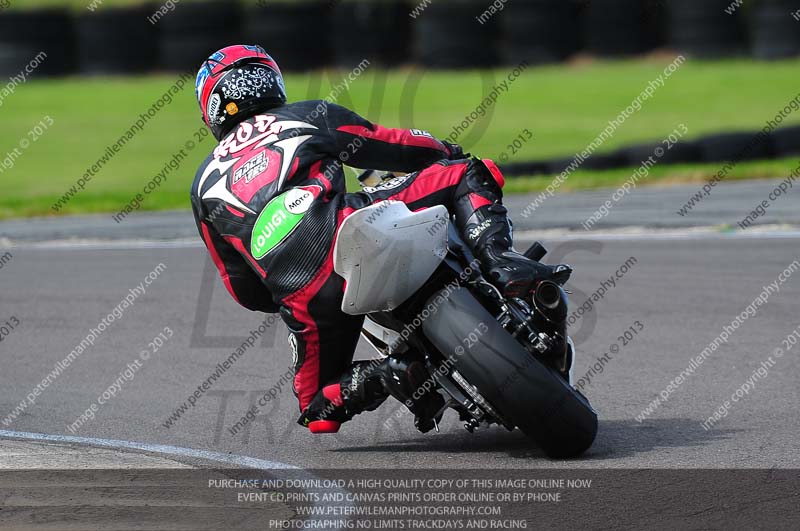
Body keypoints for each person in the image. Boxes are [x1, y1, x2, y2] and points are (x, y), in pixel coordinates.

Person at [191, 45, 570, 435]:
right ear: (270, 81)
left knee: (317, 408)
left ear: (213, 107)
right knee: (465, 172)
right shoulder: (304, 115)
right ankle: (501, 262)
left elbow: (242, 289)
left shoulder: (202, 184)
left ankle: (387, 373)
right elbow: (397, 146)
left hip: (304, 295)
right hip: (344, 224)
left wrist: (287, 296)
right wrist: (445, 152)